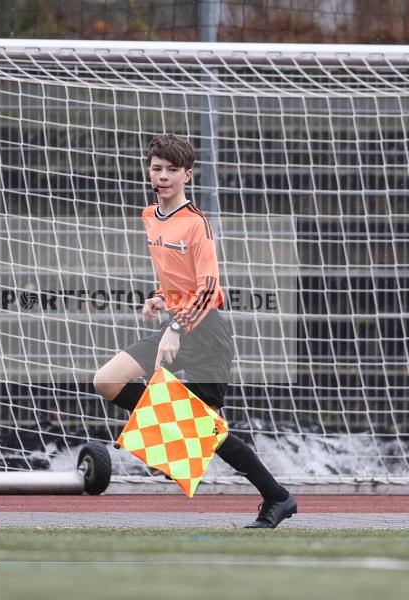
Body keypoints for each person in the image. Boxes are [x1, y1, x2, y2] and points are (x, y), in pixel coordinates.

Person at [93, 133, 297, 528]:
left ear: (187, 175)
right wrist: (159, 298)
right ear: (148, 171)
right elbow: (177, 281)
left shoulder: (196, 224)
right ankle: (179, 437)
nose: (163, 176)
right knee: (106, 380)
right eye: (157, 168)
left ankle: (277, 498)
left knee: (213, 433)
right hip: (178, 321)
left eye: (172, 170)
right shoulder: (149, 215)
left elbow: (208, 290)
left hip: (205, 333)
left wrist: (175, 327)